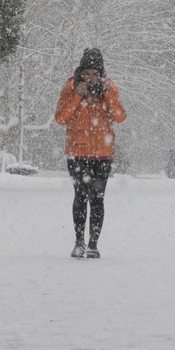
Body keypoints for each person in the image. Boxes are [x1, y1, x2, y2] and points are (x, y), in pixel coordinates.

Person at [55, 48, 127, 259]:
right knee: (80, 196)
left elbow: (120, 116)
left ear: (102, 74)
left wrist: (110, 93)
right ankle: (79, 242)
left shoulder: (109, 89)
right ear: (80, 72)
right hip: (77, 153)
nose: (91, 78)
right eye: (87, 73)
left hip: (102, 155)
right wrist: (77, 96)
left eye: (96, 74)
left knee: (97, 199)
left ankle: (93, 244)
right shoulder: (70, 89)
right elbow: (60, 118)